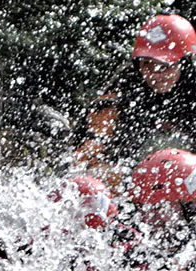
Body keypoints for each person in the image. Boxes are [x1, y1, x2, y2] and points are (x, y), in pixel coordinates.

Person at [75, 14, 196, 188]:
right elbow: (86, 157)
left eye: (165, 66)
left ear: (184, 64)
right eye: (147, 64)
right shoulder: (120, 95)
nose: (155, 74)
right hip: (133, 186)